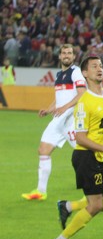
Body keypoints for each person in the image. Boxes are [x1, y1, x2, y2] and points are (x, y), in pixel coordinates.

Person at [53, 55, 103, 239]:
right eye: (94, 66)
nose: (99, 69)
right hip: (85, 157)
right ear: (85, 73)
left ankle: (68, 206)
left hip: (98, 155)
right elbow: (80, 137)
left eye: (101, 65)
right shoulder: (84, 101)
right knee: (96, 205)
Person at [22, 44, 86, 201]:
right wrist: (49, 109)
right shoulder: (59, 75)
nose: (66, 55)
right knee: (43, 149)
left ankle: (98, 187)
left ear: (73, 56)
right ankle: (41, 191)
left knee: (84, 153)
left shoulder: (76, 72)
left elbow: (82, 93)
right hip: (58, 119)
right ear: (60, 56)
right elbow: (59, 98)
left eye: (69, 53)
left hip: (72, 119)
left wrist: (64, 107)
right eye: (64, 53)